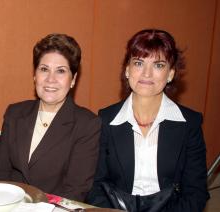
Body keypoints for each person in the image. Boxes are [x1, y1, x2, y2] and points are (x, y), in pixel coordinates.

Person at [86, 29, 209, 211]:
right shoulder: (106, 119)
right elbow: (95, 186)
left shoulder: (189, 123)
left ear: (170, 74)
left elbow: (195, 193)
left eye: (158, 65)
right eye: (139, 63)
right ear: (127, 70)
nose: (147, 73)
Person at [0, 33, 101, 201]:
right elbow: (1, 174)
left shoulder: (87, 124)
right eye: (44, 69)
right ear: (35, 75)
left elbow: (76, 190)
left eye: (61, 71)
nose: (50, 79)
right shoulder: (14, 113)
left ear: (73, 79)